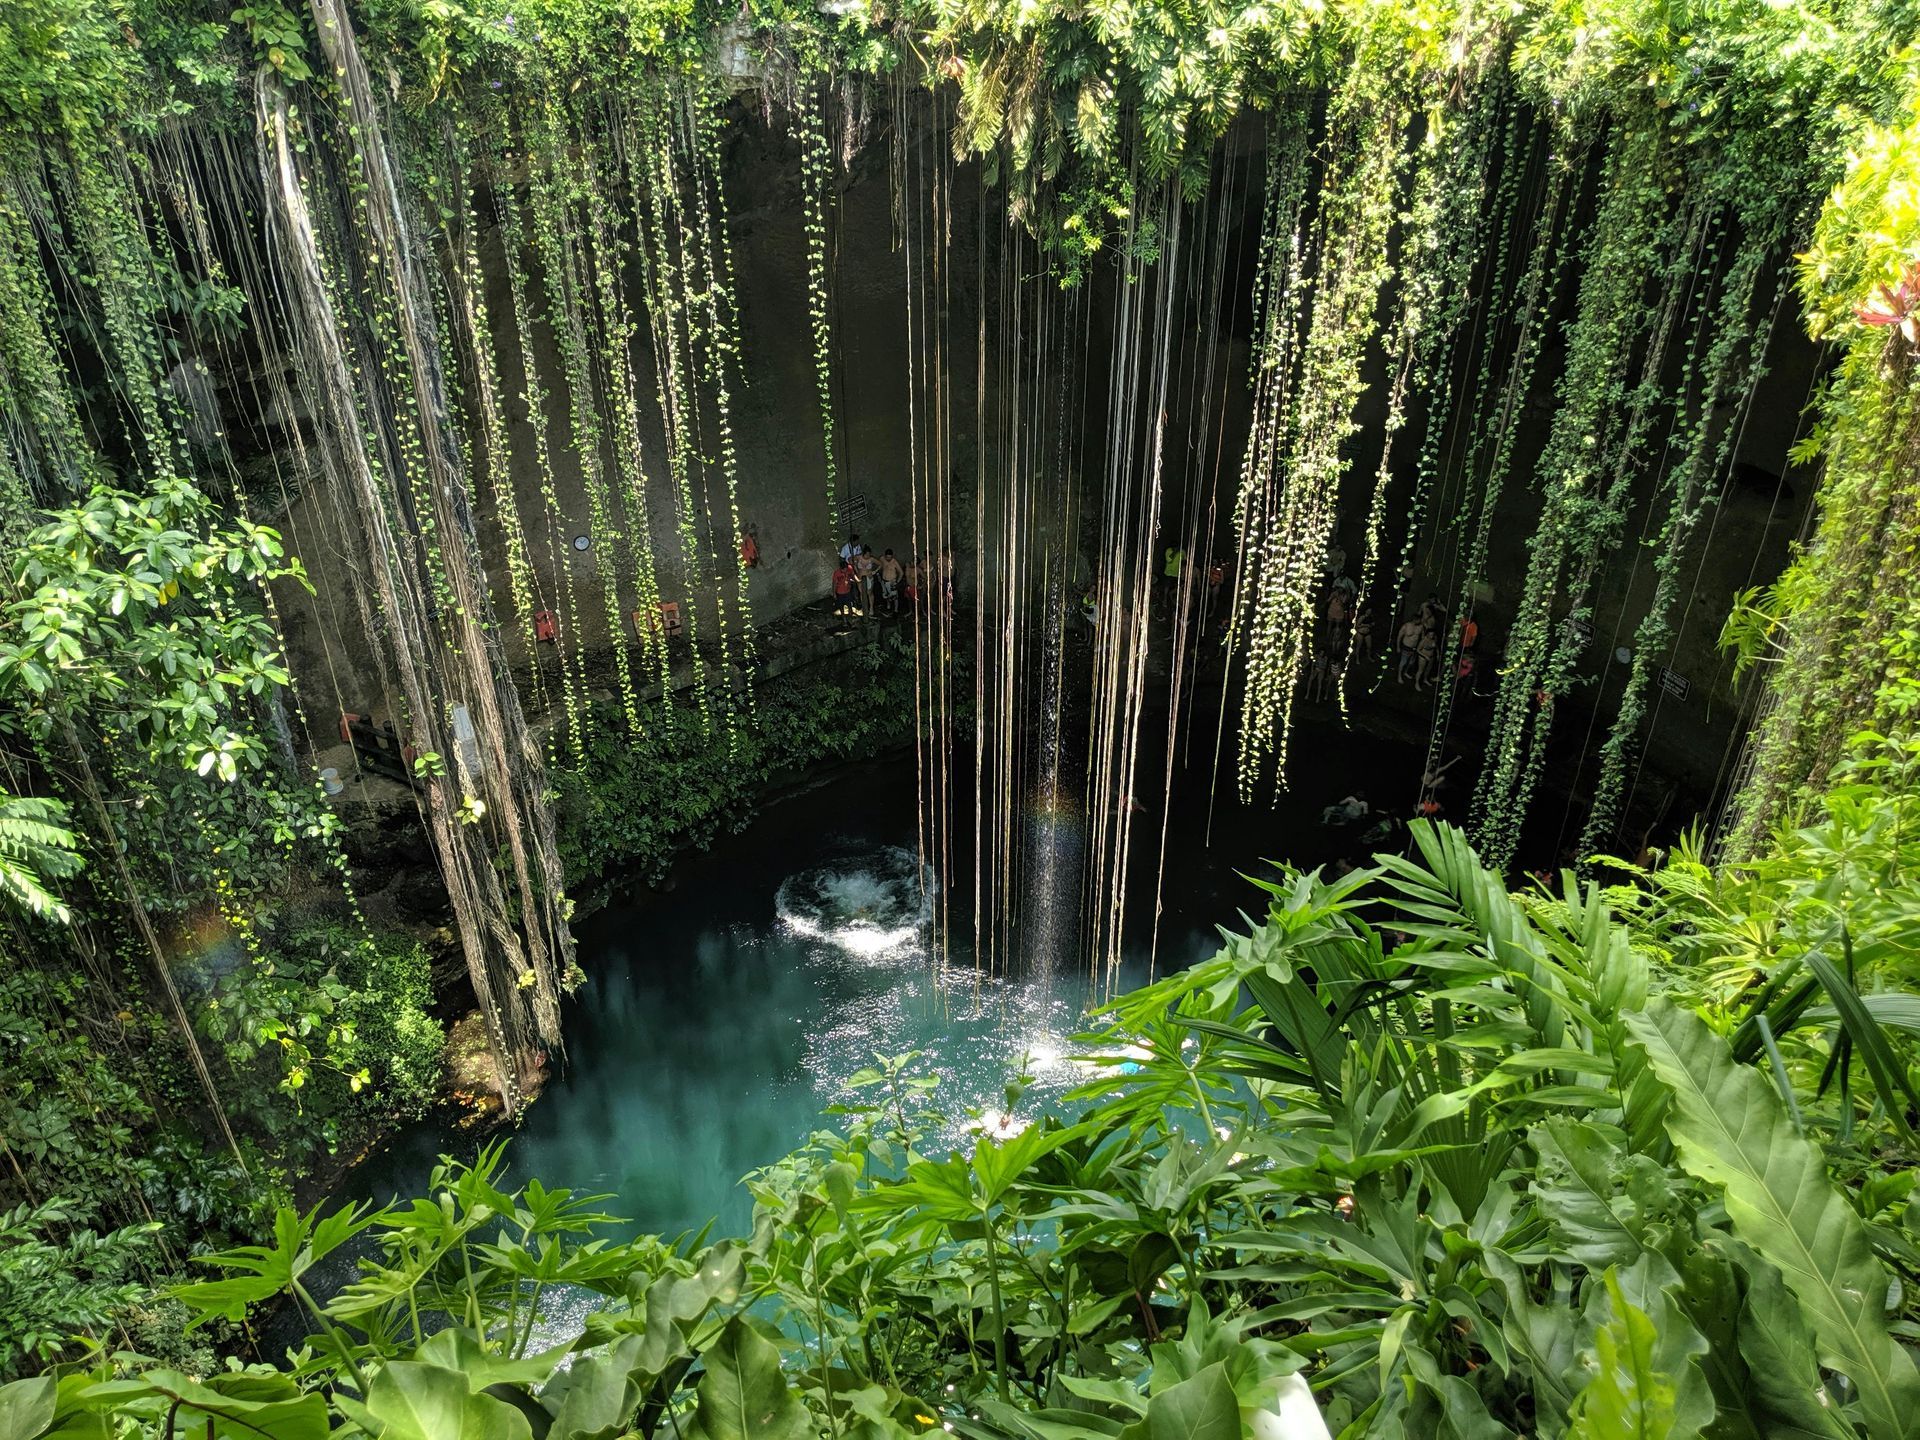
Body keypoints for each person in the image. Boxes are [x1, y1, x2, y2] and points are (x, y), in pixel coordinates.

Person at [1395, 616, 1424, 684]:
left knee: (1411, 662)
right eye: (1419, 620)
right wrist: (1398, 647)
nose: (1420, 621)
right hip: (1406, 647)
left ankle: (1405, 672)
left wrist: (1421, 646)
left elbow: (1422, 637)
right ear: (1415, 619)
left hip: (1414, 648)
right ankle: (1399, 676)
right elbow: (1399, 636)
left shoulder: (1421, 627)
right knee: (1403, 662)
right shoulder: (1406, 625)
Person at [852, 545, 881, 614]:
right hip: (860, 578)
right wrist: (856, 569)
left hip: (869, 577)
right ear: (863, 553)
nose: (868, 556)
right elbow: (851, 560)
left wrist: (875, 571)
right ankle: (864, 607)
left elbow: (880, 564)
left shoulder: (872, 559)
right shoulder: (858, 557)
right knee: (862, 593)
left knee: (869, 593)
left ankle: (871, 608)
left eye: (869, 554)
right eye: (867, 554)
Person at [878, 548, 904, 615]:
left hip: (892, 581)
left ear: (892, 556)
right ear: (885, 556)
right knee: (886, 595)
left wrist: (897, 582)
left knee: (895, 597)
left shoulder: (894, 562)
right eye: (887, 557)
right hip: (884, 581)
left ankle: (896, 610)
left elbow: (901, 572)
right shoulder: (882, 559)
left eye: (890, 557)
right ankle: (888, 607)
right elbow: (879, 562)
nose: (888, 559)